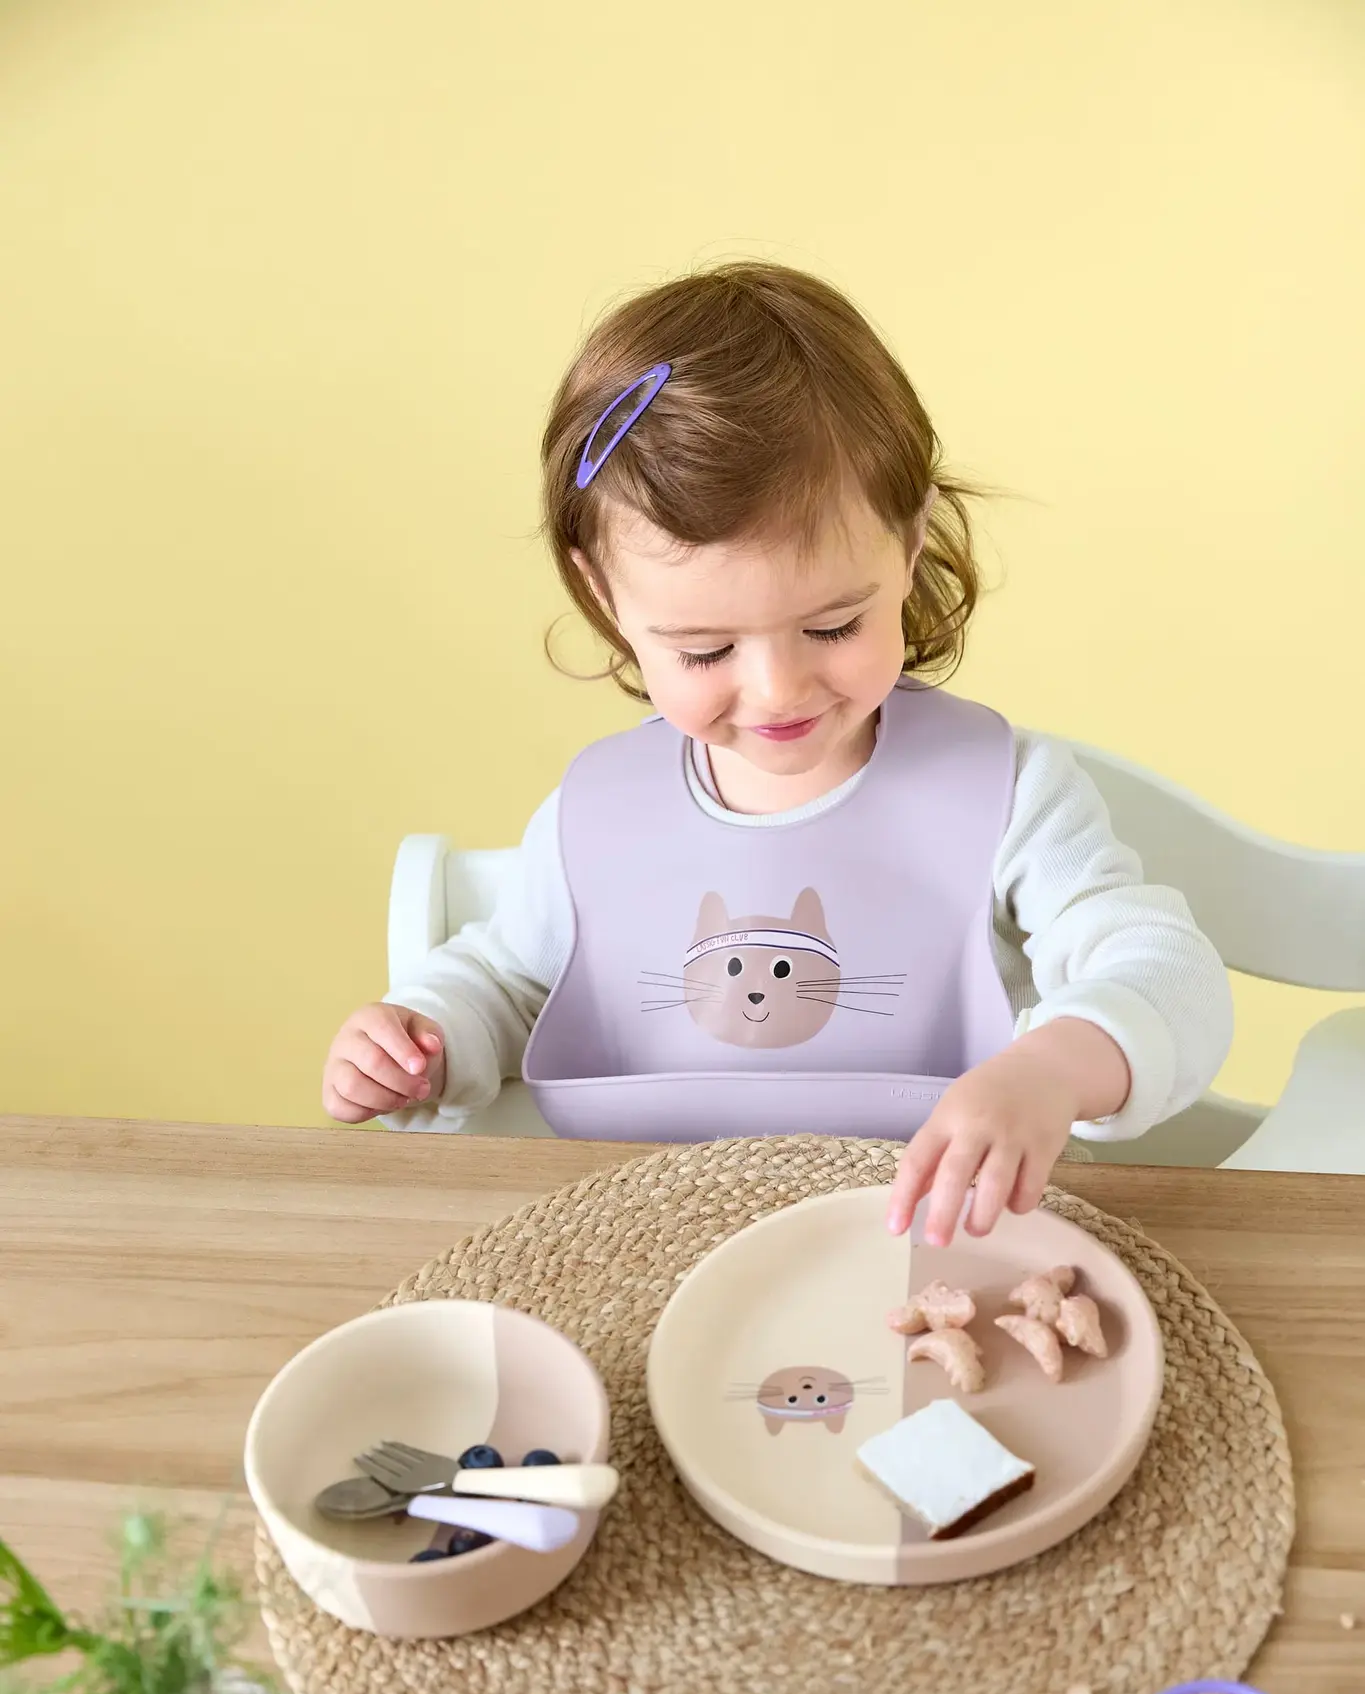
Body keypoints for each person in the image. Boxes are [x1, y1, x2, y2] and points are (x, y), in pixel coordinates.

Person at [322, 262, 1232, 1247]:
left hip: (945, 1251)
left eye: (833, 626)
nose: (779, 690)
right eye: (704, 649)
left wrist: (1053, 1068)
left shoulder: (1010, 796)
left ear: (910, 544)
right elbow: (512, 985)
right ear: (603, 596)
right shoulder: (599, 816)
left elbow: (1167, 974)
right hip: (648, 1249)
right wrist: (423, 1034)